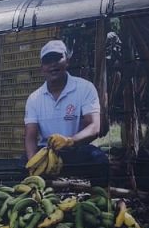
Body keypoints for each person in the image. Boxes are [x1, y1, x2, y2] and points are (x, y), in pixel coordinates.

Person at [24, 40, 108, 174]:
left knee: (99, 160)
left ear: (67, 61)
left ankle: (101, 188)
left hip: (77, 149)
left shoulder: (85, 88)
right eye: (48, 61)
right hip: (47, 151)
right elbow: (30, 136)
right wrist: (32, 163)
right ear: (42, 68)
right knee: (23, 163)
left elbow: (94, 127)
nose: (53, 64)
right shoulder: (34, 98)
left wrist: (70, 141)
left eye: (57, 58)